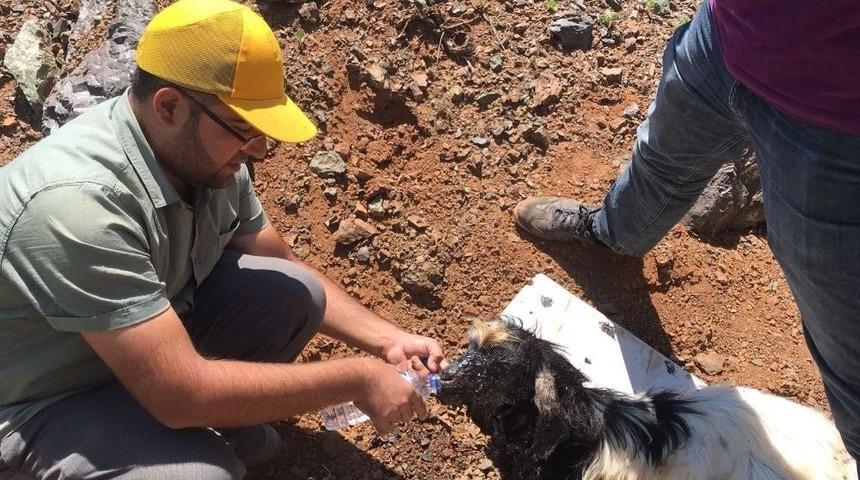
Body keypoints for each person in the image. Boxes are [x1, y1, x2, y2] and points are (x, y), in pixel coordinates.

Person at [0, 0, 446, 478]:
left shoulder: (203, 158)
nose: (260, 150)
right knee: (202, 475)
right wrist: (354, 378)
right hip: (38, 400)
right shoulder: (76, 205)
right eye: (243, 130)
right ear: (169, 106)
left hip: (129, 353)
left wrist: (387, 340)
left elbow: (282, 263)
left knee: (294, 293)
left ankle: (192, 427)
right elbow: (179, 396)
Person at [515, 0, 860, 466]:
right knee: (658, 163)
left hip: (839, 119)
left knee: (844, 327)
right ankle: (612, 235)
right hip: (728, 34)